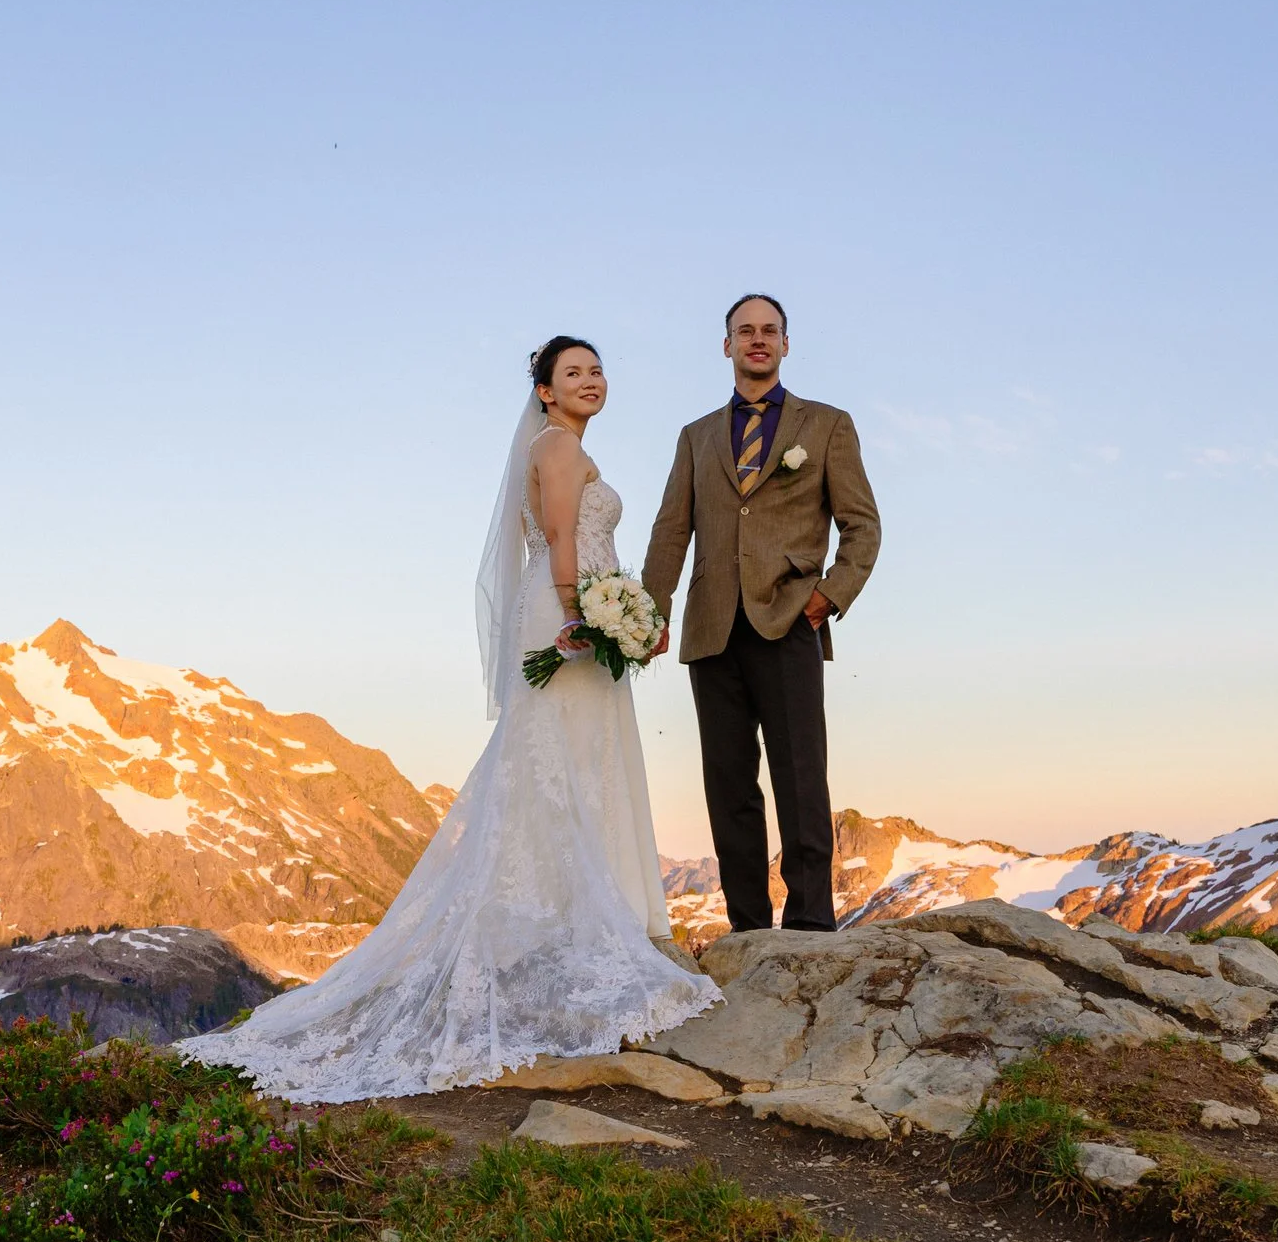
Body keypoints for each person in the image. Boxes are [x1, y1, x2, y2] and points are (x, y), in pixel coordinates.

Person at [179, 336, 716, 1101]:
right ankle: (574, 926)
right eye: (574, 372)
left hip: (583, 609)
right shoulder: (558, 446)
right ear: (544, 390)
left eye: (597, 370)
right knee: (564, 761)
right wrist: (580, 617)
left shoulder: (557, 443)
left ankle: (582, 920)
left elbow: (582, 543)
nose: (591, 380)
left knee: (572, 760)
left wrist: (623, 615)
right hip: (567, 614)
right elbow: (564, 538)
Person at [640, 295, 881, 934]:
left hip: (790, 622)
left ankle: (810, 924)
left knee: (801, 779)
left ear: (785, 344)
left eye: (768, 331)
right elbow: (671, 531)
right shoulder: (696, 437)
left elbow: (863, 525)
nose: (757, 340)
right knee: (729, 789)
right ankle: (748, 930)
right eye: (744, 331)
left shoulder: (827, 425)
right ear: (726, 346)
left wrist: (831, 594)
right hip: (711, 630)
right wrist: (648, 612)